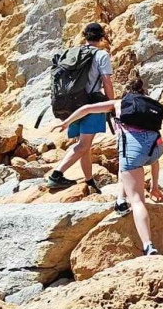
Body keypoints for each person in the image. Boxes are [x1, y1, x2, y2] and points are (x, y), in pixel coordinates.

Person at [57, 72, 163, 257]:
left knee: (137, 200)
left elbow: (87, 108)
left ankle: (148, 245)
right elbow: (153, 159)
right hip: (155, 148)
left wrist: (67, 122)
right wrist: (154, 186)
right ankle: (120, 200)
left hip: (133, 151)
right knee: (125, 165)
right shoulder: (149, 106)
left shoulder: (118, 103)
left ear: (126, 94)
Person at [47, 22, 114, 192]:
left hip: (71, 104)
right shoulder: (101, 55)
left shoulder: (72, 53)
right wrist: (111, 103)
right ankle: (56, 175)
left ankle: (89, 180)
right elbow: (106, 81)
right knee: (84, 145)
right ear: (102, 37)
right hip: (91, 103)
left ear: (85, 36)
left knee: (84, 145)